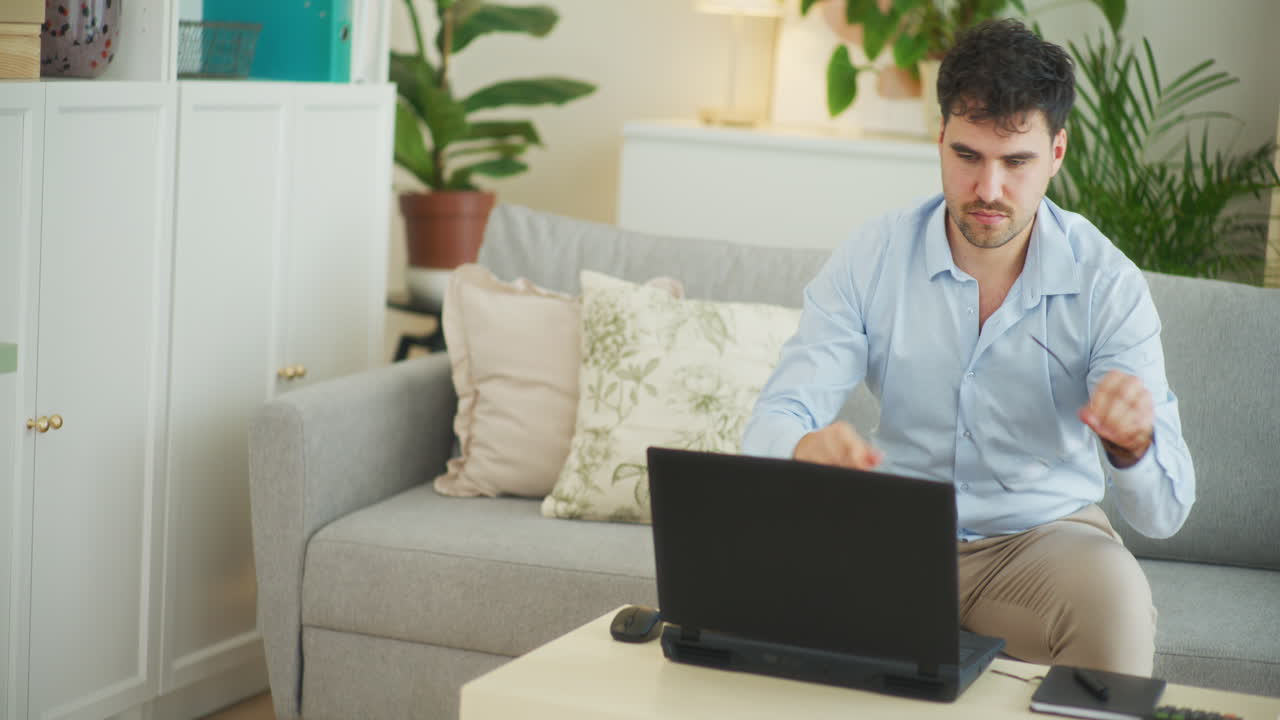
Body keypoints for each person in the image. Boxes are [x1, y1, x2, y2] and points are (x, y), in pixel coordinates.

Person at [741, 18, 1194, 677]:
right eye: (968, 156)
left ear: (1057, 153)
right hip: (890, 536)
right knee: (744, 616)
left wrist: (1133, 444)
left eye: (1016, 163)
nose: (988, 190)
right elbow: (773, 421)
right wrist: (803, 448)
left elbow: (1164, 514)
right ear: (941, 141)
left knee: (1117, 604)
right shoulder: (873, 255)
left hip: (1043, 543)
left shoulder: (1108, 283)